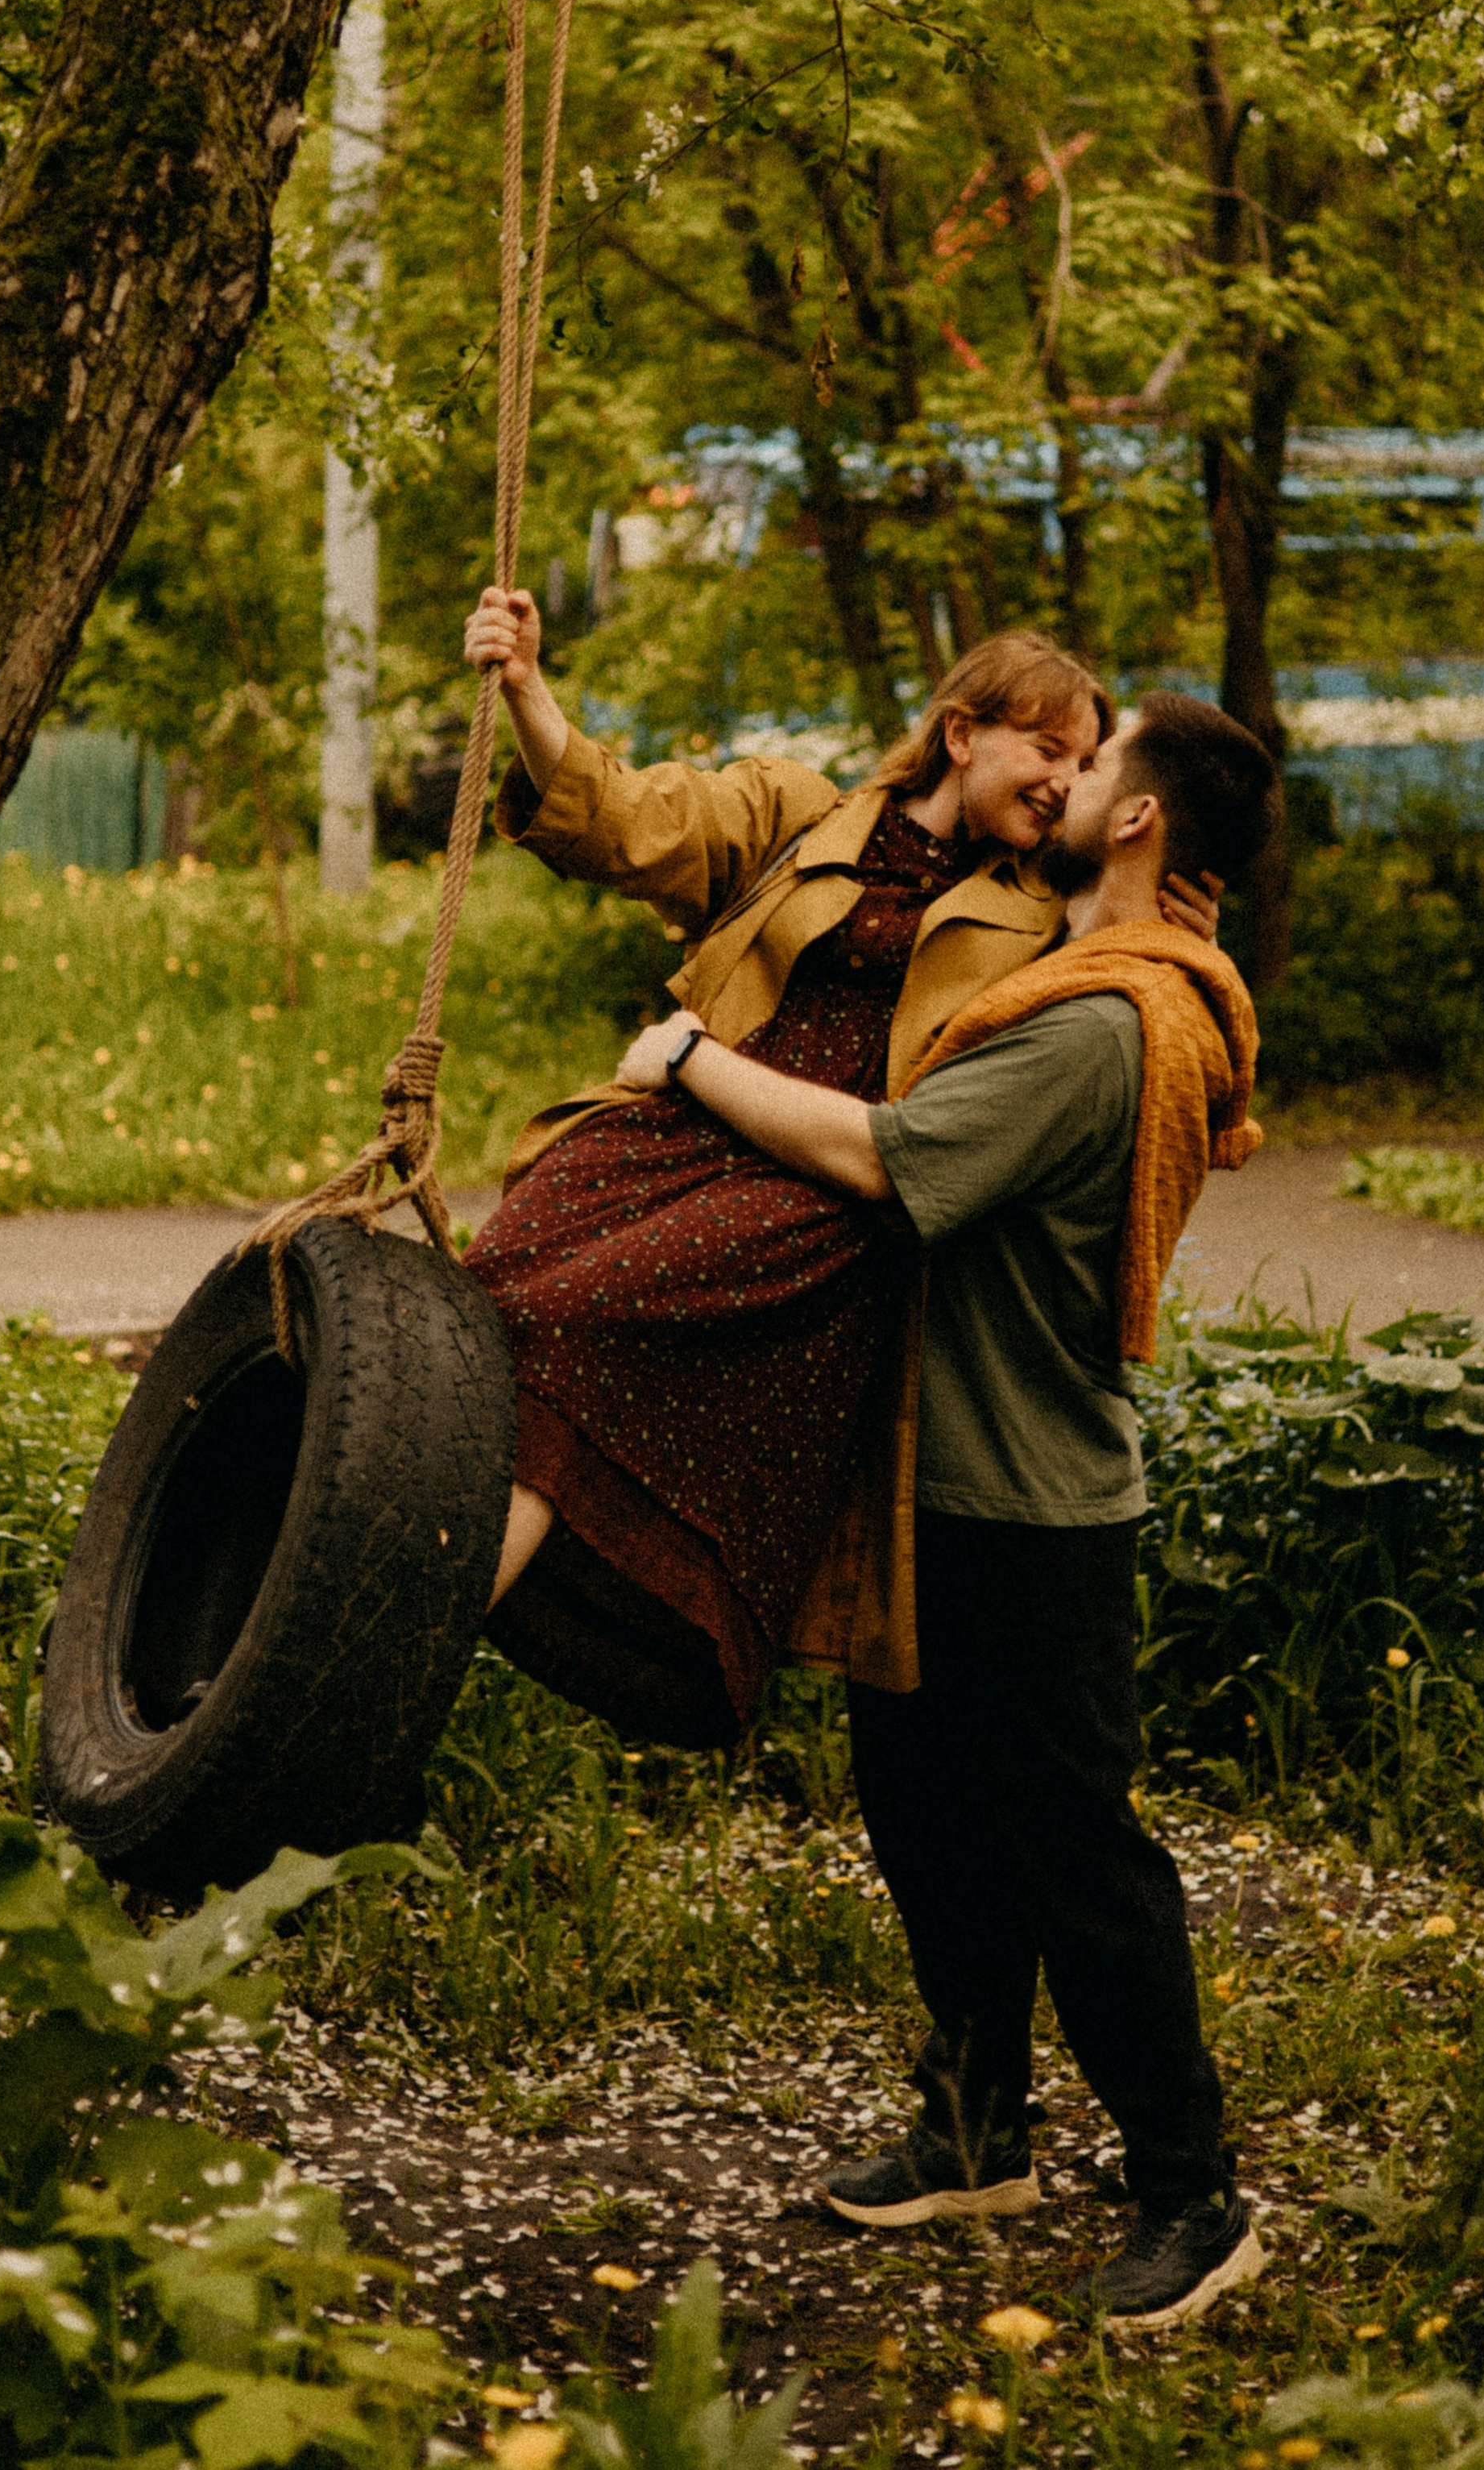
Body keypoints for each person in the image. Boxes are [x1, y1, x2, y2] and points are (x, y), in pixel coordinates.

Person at [612, 689, 1281, 2334]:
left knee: (1074, 1853)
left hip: (1030, 1504)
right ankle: (976, 2128)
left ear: (1135, 823)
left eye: (1095, 765)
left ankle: (1191, 2196)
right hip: (938, 1483)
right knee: (923, 1813)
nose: (1063, 779)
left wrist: (690, 1059)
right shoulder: (1085, 979)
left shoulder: (1104, 1023)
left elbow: (886, 1159)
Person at [455, 587, 1212, 1733]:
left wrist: (1174, 927)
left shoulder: (1051, 912)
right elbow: (626, 816)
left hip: (814, 1187)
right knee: (488, 1302)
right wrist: (526, 692)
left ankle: (401, 1652)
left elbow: (1148, 998)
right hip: (675, 1125)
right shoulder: (801, 816)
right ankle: (351, 1604)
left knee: (574, 1324)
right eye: (1046, 747)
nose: (1067, 777)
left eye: (1087, 760)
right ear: (963, 734)